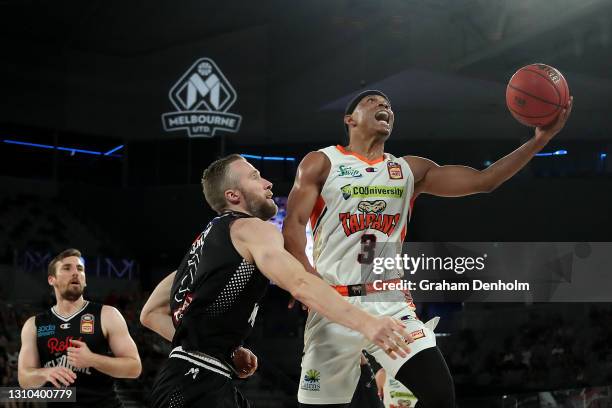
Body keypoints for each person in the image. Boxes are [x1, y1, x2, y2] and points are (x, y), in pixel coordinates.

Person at [282, 89, 573, 407]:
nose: (384, 106)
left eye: (389, 105)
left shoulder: (409, 170)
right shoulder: (322, 162)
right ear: (349, 119)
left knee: (439, 395)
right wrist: (308, 285)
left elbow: (483, 180)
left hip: (389, 301)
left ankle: (392, 384)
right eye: (372, 102)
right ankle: (384, 385)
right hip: (335, 302)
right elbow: (293, 228)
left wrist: (539, 141)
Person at [140, 154, 415, 408]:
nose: (268, 183)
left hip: (188, 378)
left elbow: (150, 314)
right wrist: (368, 323)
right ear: (233, 195)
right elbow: (300, 284)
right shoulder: (251, 228)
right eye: (255, 176)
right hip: (197, 385)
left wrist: (217, 350)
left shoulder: (202, 247)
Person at [17, 248, 142, 407]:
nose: (75, 273)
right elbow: (24, 378)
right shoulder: (34, 325)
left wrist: (92, 359)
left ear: (85, 280)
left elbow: (134, 368)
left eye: (80, 269)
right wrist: (45, 373)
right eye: (67, 268)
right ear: (51, 279)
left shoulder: (107, 315)